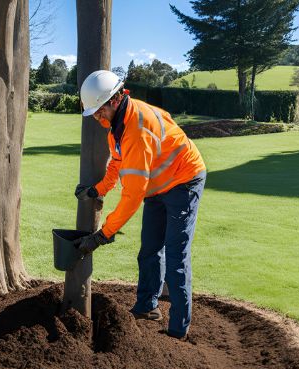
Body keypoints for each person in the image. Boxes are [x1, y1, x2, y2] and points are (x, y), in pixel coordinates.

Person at [74, 70, 206, 340]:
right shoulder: (119, 126)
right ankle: (147, 307)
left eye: (99, 112)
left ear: (113, 100)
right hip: (158, 186)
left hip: (184, 181)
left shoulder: (136, 129)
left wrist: (102, 235)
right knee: (149, 250)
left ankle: (178, 329)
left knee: (175, 257)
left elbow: (133, 195)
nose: (97, 118)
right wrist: (97, 190)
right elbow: (119, 163)